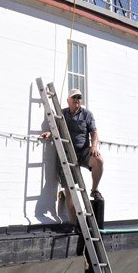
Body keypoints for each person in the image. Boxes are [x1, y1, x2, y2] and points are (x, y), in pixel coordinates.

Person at [41, 88, 104, 223]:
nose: (77, 100)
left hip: (82, 152)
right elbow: (56, 129)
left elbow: (94, 133)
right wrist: (49, 134)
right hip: (67, 155)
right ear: (68, 100)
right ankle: (75, 224)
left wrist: (94, 146)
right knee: (70, 190)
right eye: (74, 97)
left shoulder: (87, 114)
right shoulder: (62, 114)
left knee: (98, 159)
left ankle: (94, 190)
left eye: (79, 98)